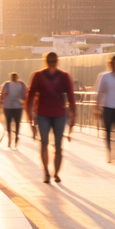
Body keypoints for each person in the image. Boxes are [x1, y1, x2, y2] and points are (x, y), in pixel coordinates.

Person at [25, 52, 76, 183]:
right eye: (50, 61)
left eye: (53, 61)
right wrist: (29, 117)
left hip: (59, 114)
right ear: (47, 61)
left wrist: (73, 116)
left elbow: (71, 97)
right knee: (44, 144)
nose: (52, 63)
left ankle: (56, 173)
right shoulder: (38, 76)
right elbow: (30, 97)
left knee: (58, 146)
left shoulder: (64, 76)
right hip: (43, 114)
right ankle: (47, 173)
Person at [93, 55, 115, 164]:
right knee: (108, 132)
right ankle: (109, 153)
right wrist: (97, 108)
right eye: (112, 63)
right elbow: (99, 93)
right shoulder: (104, 76)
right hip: (107, 107)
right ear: (109, 64)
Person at [0, 71, 27, 147]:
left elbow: (3, 94)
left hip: (8, 106)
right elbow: (25, 94)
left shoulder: (7, 84)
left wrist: (2, 104)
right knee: (17, 123)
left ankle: (9, 138)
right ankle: (16, 136)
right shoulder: (21, 84)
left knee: (8, 123)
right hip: (18, 106)